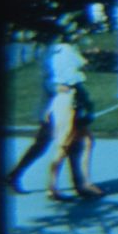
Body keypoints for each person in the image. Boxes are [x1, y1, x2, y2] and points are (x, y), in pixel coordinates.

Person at [6, 42, 86, 193]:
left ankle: (78, 184)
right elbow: (47, 78)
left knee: (70, 144)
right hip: (53, 106)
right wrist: (56, 88)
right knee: (45, 145)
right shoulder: (52, 50)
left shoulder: (68, 48)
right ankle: (14, 176)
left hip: (68, 103)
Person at [44, 60, 102, 201]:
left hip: (75, 98)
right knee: (64, 146)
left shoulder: (70, 50)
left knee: (88, 141)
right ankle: (52, 187)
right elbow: (52, 79)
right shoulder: (61, 50)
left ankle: (85, 182)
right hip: (68, 100)